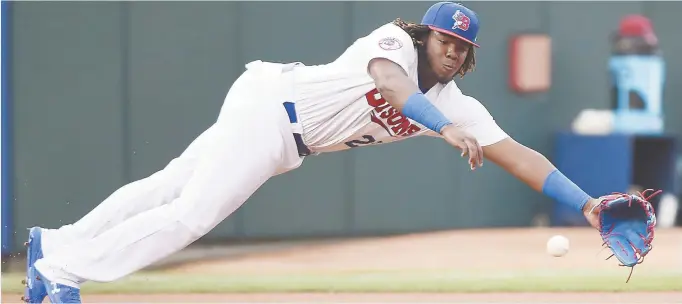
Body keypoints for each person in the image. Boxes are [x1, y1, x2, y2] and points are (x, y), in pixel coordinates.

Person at [21, 2, 643, 303]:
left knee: (169, 183)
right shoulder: (394, 41)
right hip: (273, 109)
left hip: (275, 118)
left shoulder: (460, 105)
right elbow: (394, 88)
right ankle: (63, 273)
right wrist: (443, 129)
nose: (450, 51)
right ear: (426, 34)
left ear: (469, 56)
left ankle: (55, 242)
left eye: (461, 46)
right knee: (190, 213)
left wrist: (587, 204)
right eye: (444, 39)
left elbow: (519, 154)